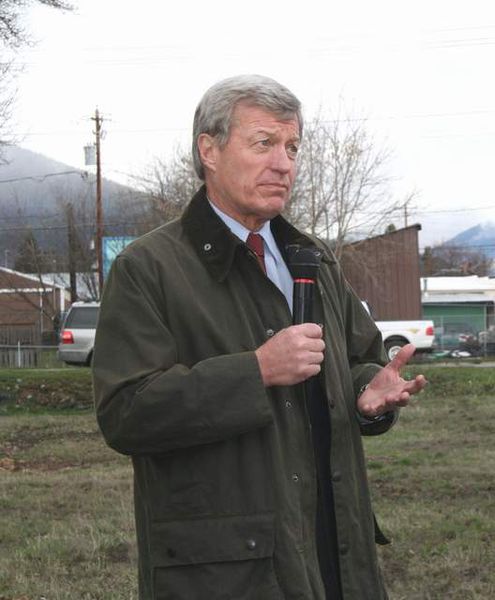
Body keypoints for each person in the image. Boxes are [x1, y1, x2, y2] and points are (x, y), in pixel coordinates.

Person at [93, 74, 427, 600]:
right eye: (264, 143)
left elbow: (359, 359)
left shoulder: (313, 257)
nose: (284, 163)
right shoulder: (148, 268)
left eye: (292, 146)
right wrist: (256, 372)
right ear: (210, 149)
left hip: (333, 550)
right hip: (229, 571)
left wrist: (369, 395)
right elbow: (126, 412)